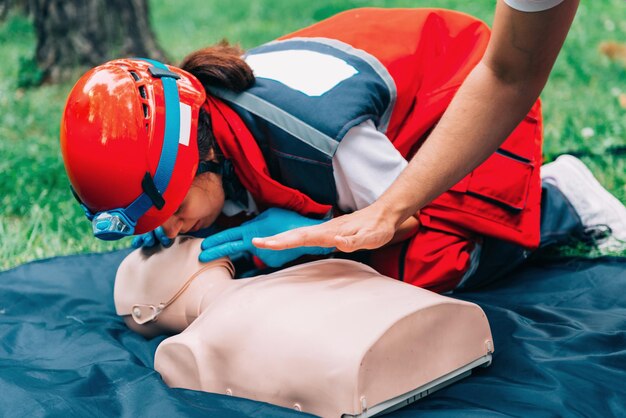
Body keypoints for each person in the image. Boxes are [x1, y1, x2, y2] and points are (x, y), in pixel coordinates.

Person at [61, 5, 624, 294]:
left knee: (418, 268)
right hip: (387, 116)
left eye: (175, 209)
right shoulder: (211, 121)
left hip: (466, 101)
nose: (175, 228)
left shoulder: (323, 143)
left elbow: (399, 218)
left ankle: (562, 200)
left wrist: (313, 242)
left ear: (203, 156)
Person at [114, 236, 494, 417]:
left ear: (146, 312)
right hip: (456, 323)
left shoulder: (187, 346)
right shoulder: (320, 266)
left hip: (362, 380)